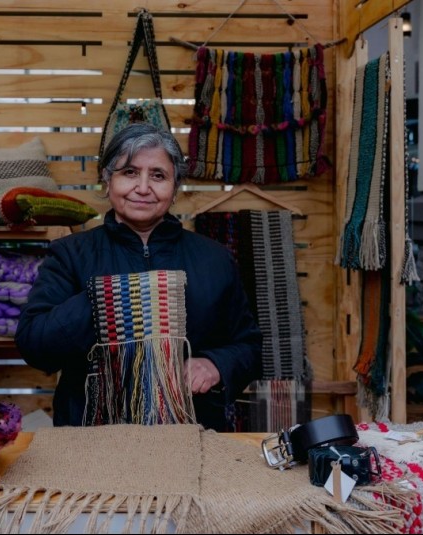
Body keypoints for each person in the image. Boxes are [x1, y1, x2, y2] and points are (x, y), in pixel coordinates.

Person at [15, 123, 262, 432]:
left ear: (174, 188)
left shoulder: (214, 259)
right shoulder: (70, 255)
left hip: (190, 433)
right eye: (129, 172)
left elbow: (249, 346)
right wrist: (109, 298)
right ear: (107, 181)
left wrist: (215, 364)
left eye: (158, 175)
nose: (143, 187)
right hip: (90, 438)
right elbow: (34, 345)